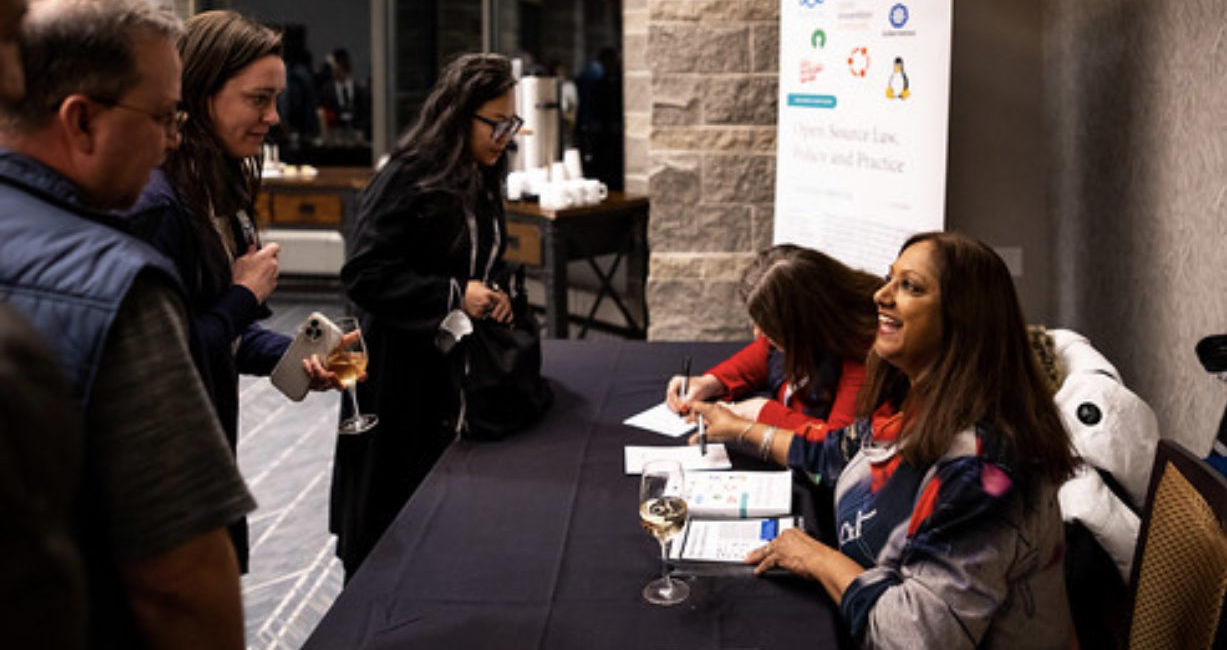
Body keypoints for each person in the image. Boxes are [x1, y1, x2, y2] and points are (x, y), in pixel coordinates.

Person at [0, 1, 253, 647]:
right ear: (82, 120)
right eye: (164, 117)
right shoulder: (118, 283)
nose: (173, 139)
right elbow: (182, 581)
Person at [690, 232, 1076, 648]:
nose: (880, 295)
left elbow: (916, 637)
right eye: (890, 278)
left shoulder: (983, 469)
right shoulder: (908, 399)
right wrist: (736, 429)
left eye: (910, 286)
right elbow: (832, 455)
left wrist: (819, 559)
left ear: (963, 318)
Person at [120, 9, 341, 574]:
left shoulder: (212, 185)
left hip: (204, 452)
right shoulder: (160, 205)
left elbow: (223, 334)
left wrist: (297, 357)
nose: (273, 117)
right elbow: (165, 358)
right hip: (167, 476)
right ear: (201, 93)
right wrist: (243, 294)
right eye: (257, 100)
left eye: (275, 100)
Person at [335, 52, 520, 578]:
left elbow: (480, 255)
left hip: (450, 373)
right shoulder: (408, 176)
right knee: (389, 519)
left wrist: (497, 288)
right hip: (397, 375)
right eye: (496, 123)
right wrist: (456, 295)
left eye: (513, 123)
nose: (505, 135)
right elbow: (363, 275)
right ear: (459, 116)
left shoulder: (481, 173)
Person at [666, 244, 879, 441]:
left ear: (802, 324)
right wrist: (711, 382)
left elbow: (838, 444)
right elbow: (764, 353)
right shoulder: (812, 330)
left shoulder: (866, 357)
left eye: (768, 327)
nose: (757, 333)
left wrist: (760, 413)